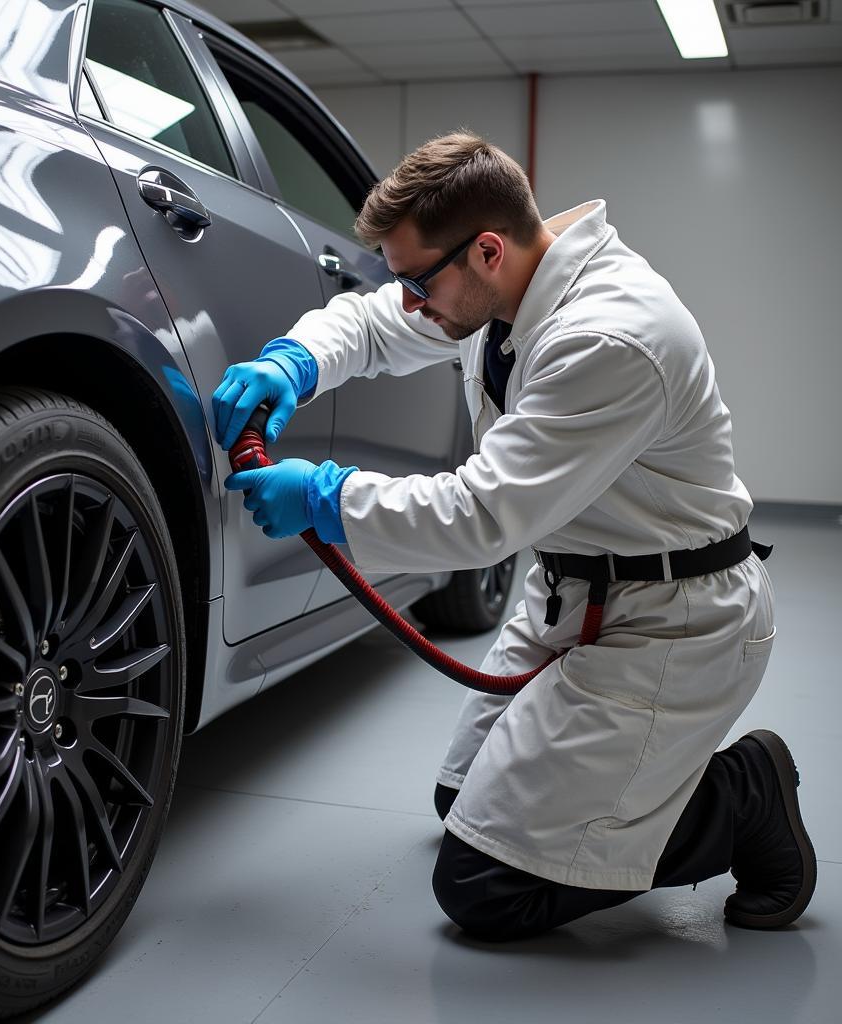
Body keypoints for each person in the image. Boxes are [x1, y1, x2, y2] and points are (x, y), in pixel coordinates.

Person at [212, 131, 816, 940]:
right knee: (461, 800)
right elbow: (377, 323)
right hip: (574, 588)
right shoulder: (499, 293)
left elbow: (483, 516)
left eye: (418, 281)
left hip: (670, 619)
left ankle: (744, 797)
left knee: (486, 885)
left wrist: (328, 497)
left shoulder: (608, 336)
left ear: (486, 250)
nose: (411, 300)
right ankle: (625, 797)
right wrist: (295, 362)